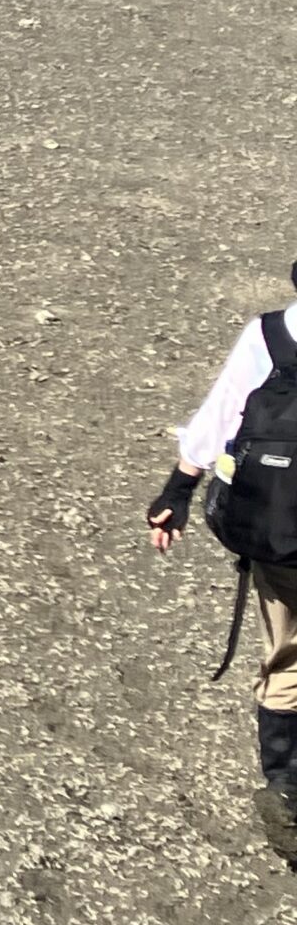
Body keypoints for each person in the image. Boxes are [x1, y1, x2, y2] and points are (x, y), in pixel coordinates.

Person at [151, 269, 297, 860]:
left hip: (285, 535)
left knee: (287, 658)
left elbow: (218, 417)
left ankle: (287, 790)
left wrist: (176, 494)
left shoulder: (270, 335)